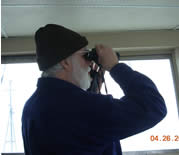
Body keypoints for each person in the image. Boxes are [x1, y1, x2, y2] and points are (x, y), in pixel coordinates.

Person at [21, 24, 167, 155]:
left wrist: (91, 92)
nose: (90, 63)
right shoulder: (81, 107)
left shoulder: (32, 106)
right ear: (65, 62)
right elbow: (153, 106)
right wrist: (115, 67)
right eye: (86, 55)